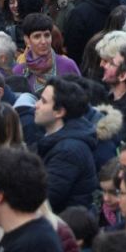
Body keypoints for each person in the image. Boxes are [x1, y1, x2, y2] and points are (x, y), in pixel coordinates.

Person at [34, 77, 99, 213]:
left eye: (44, 101)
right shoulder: (55, 139)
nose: (36, 105)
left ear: (59, 112)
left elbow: (42, 200)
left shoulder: (69, 151)